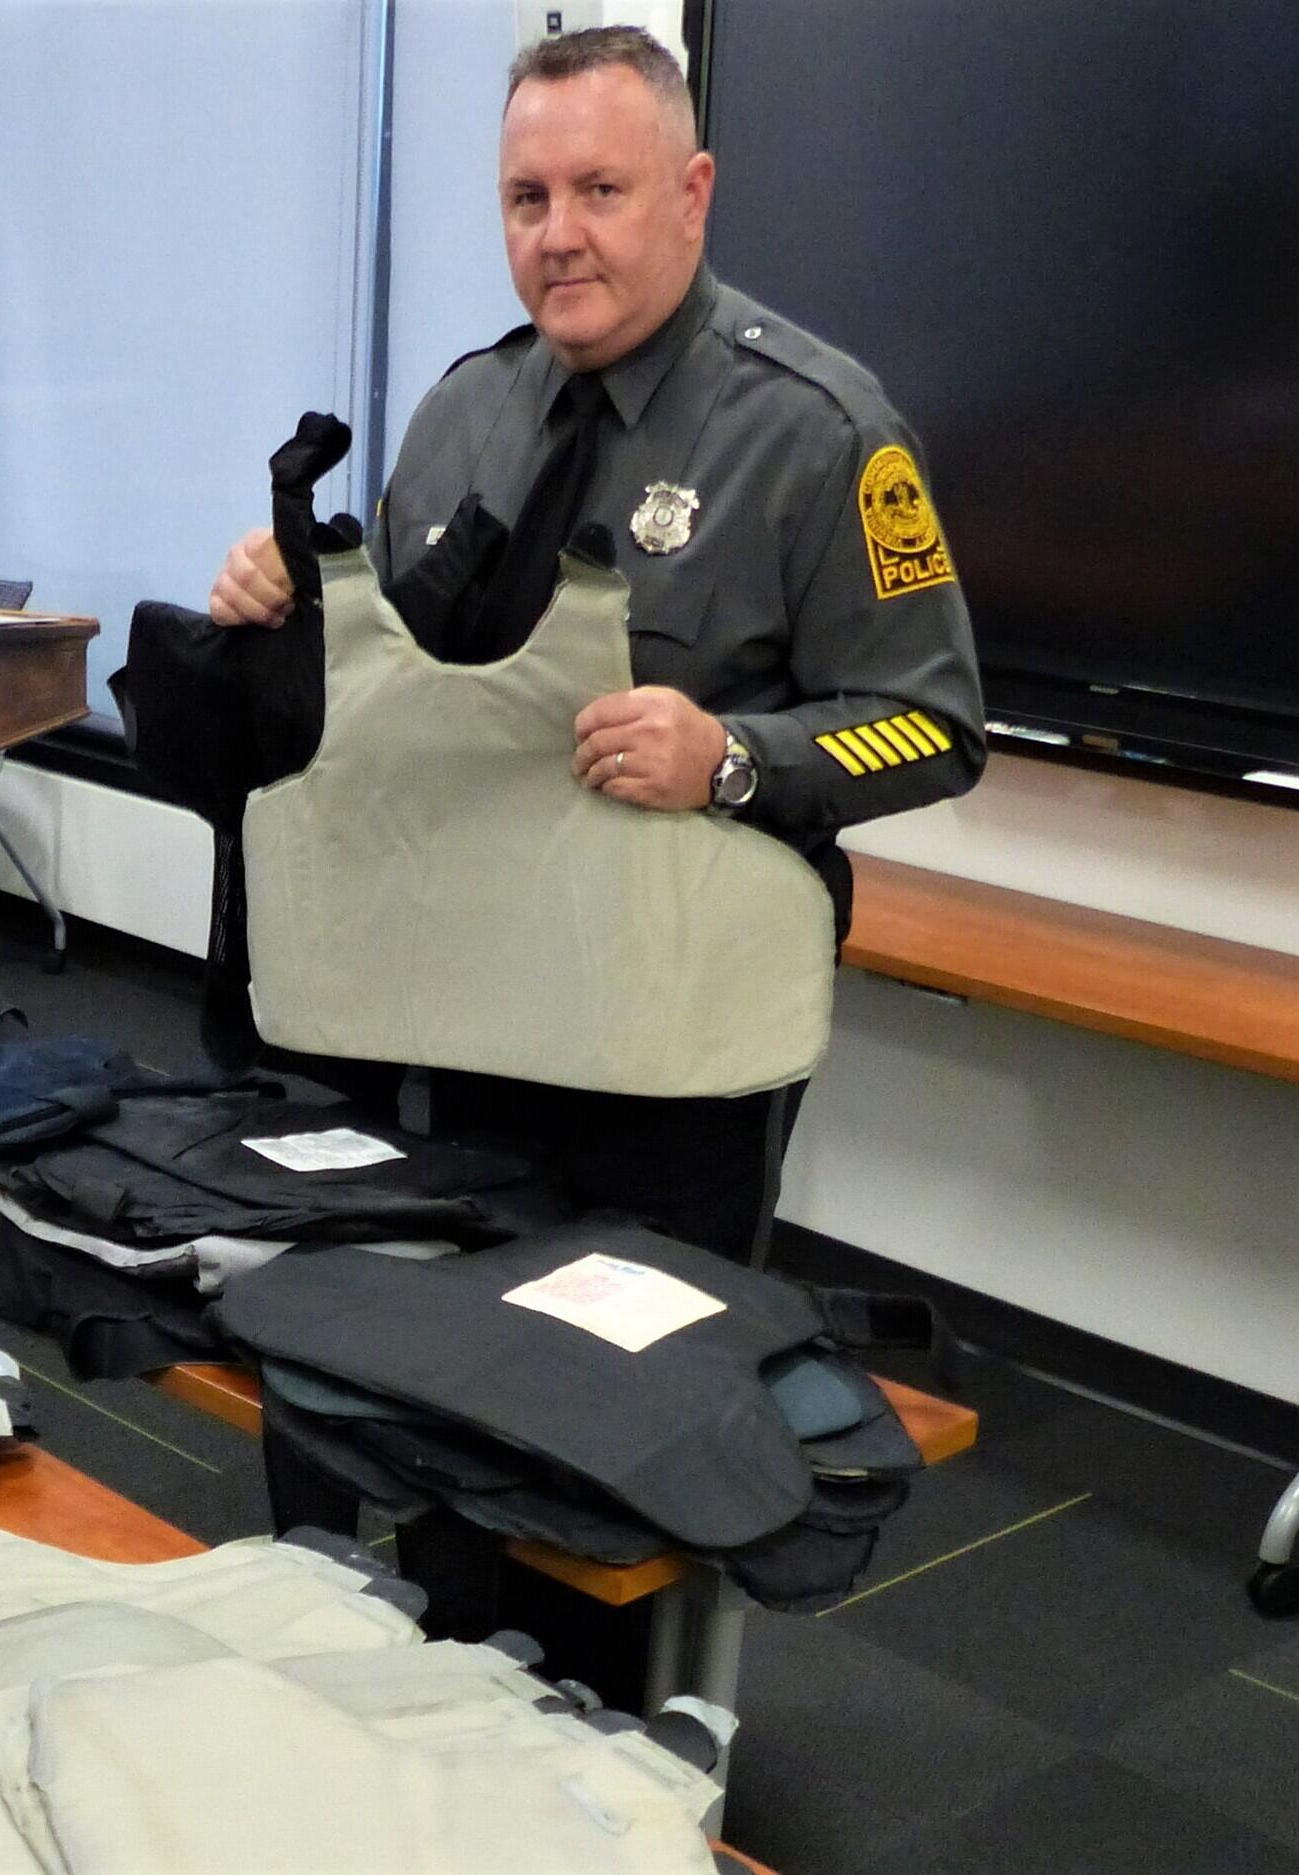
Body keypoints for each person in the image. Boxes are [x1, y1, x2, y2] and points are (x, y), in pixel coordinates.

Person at [204, 25, 985, 1264]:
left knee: (639, 1354)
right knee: (426, 1328)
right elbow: (396, 692)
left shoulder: (820, 436)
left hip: (670, 1033)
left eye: (600, 191)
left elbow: (933, 726)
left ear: (692, 195)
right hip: (454, 999)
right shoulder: (463, 412)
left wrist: (730, 760)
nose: (557, 233)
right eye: (527, 198)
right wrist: (290, 609)